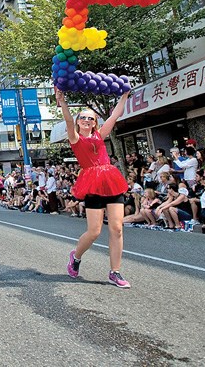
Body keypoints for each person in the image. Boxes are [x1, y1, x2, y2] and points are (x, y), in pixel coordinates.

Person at [56, 88, 132, 289]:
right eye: (83, 118)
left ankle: (114, 272)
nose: (87, 121)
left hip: (111, 181)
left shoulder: (100, 134)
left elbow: (115, 115)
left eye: (90, 118)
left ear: (95, 122)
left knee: (116, 228)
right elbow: (69, 122)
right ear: (79, 120)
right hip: (92, 183)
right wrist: (62, 102)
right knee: (94, 231)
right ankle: (76, 256)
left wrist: (124, 96)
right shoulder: (75, 138)